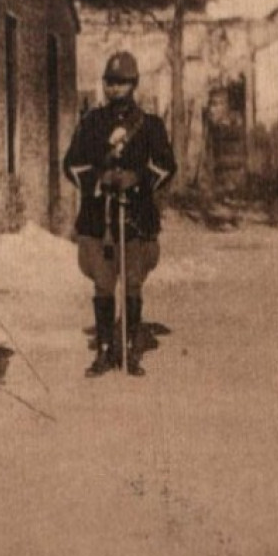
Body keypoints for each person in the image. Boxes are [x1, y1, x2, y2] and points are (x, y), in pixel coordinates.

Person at [62, 50, 177, 377]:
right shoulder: (91, 122)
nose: (115, 89)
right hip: (99, 220)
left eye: (122, 83)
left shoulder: (151, 125)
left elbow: (167, 166)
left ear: (135, 84)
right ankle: (102, 349)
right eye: (110, 83)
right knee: (102, 284)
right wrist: (98, 180)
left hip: (137, 218)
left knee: (133, 283)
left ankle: (130, 348)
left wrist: (138, 180)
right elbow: (71, 164)